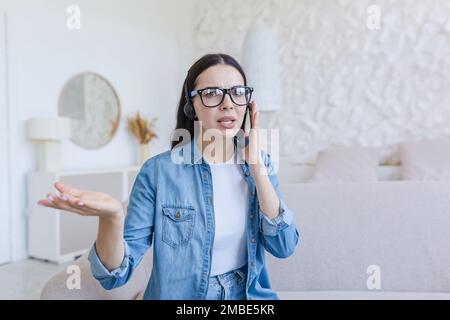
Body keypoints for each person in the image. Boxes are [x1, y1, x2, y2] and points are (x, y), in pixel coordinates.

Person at [38, 53, 300, 300]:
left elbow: (284, 246)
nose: (228, 103)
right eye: (211, 93)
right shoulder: (158, 172)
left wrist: (256, 165)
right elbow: (116, 275)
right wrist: (112, 218)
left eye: (237, 92)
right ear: (192, 105)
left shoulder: (260, 164)